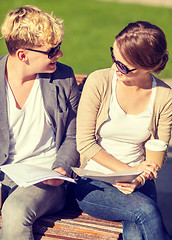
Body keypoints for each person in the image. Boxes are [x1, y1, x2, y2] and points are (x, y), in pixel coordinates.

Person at [75, 21, 172, 240]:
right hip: (94, 181)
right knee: (145, 211)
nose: (115, 68)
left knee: (138, 229)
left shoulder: (164, 96)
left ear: (148, 67)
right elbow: (85, 143)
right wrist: (126, 172)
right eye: (114, 57)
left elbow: (159, 151)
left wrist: (139, 177)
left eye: (124, 66)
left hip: (140, 182)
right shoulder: (99, 81)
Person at [0, 5, 80, 240]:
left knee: (15, 212)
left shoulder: (64, 77)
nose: (59, 55)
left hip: (46, 178)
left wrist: (61, 168)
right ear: (23, 55)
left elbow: (74, 135)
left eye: (59, 48)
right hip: (5, 174)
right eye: (52, 51)